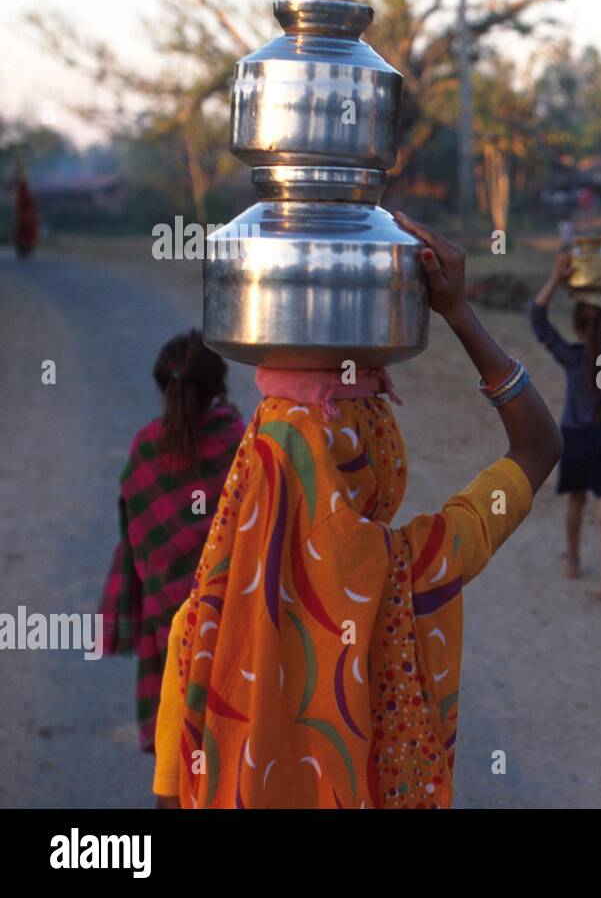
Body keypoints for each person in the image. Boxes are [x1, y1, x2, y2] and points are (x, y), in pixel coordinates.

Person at [151, 218, 561, 808]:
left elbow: (172, 797)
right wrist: (459, 314)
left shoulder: (200, 631)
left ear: (250, 470)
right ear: (381, 456)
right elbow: (539, 445)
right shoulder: (418, 568)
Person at [99, 329, 244, 753]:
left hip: (169, 630)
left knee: (177, 756)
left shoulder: (146, 447)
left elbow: (135, 538)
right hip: (230, 625)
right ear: (219, 385)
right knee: (229, 755)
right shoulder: (242, 442)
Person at [530, 248, 601, 604]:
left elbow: (538, 321)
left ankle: (573, 562)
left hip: (575, 439)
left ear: (576, 326)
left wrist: (556, 275)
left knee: (576, 503)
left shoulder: (571, 357)